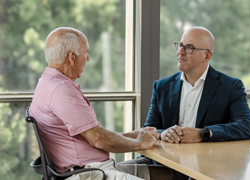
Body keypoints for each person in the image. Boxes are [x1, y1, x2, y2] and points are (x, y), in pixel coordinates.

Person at [29, 27, 174, 180]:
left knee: (167, 174)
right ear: (72, 57)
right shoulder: (61, 90)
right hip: (88, 173)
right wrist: (139, 143)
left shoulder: (47, 83)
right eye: (85, 53)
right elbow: (98, 139)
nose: (88, 58)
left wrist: (134, 135)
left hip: (94, 168)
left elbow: (94, 135)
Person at [143, 26, 250, 179]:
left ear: (207, 56)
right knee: (114, 171)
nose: (181, 52)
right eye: (180, 45)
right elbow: (148, 129)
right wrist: (163, 133)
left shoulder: (230, 86)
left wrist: (203, 133)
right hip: (165, 166)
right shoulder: (162, 87)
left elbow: (247, 126)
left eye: (189, 48)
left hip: (208, 170)